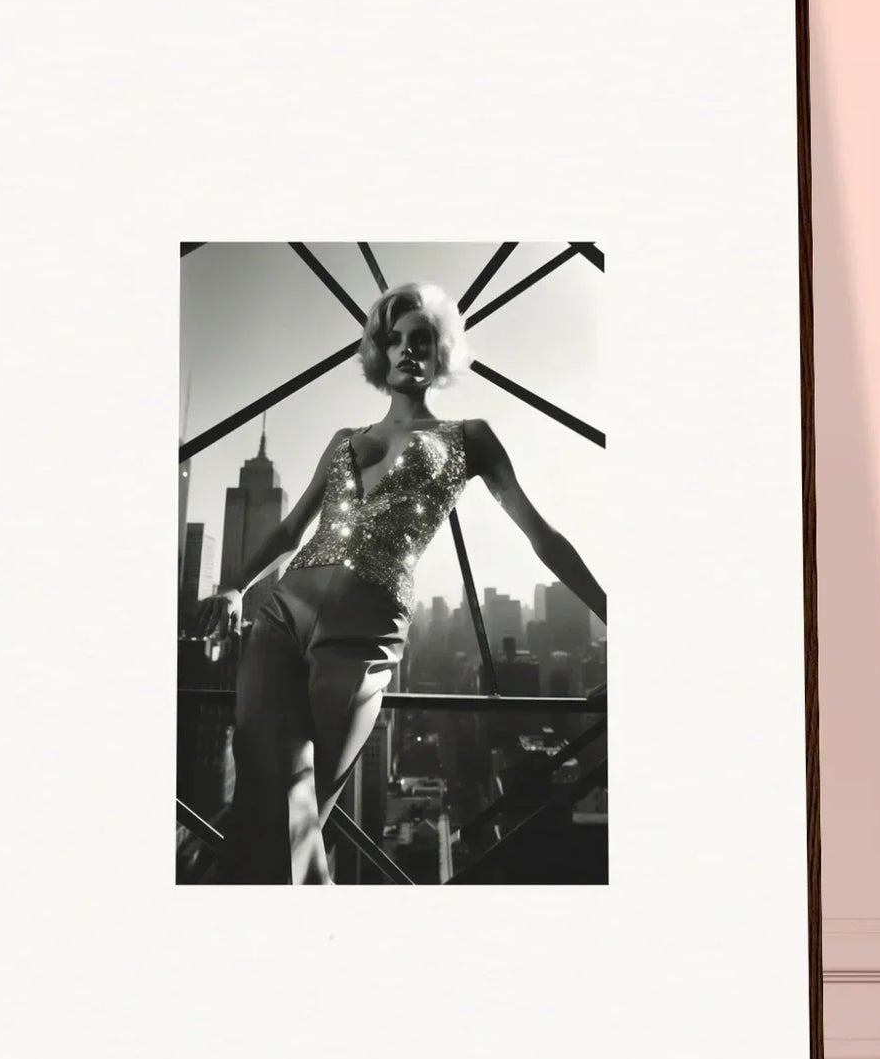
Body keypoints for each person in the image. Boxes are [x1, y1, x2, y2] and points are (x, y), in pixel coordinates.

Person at [186, 279, 606, 883]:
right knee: (262, 796)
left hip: (364, 627)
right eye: (396, 339)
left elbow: (541, 536)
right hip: (282, 615)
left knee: (298, 808)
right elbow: (289, 534)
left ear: (443, 354)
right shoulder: (343, 442)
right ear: (379, 353)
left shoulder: (471, 438)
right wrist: (235, 587)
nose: (409, 349)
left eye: (424, 339)